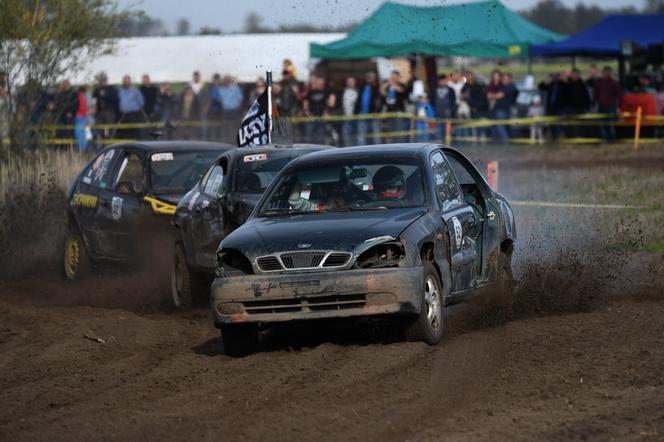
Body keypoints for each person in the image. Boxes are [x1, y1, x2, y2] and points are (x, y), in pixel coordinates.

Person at [593, 66, 621, 142]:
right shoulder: (599, 83)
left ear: (611, 73)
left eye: (608, 72)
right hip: (601, 106)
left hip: (611, 106)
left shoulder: (614, 83)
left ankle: (612, 139)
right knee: (602, 124)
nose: (607, 73)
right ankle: (604, 139)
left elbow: (618, 96)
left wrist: (618, 107)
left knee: (611, 124)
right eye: (605, 72)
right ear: (603, 72)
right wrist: (593, 106)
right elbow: (595, 95)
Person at [355, 72, 382, 145]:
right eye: (367, 77)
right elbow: (359, 100)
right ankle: (360, 150)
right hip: (362, 114)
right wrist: (356, 111)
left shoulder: (376, 88)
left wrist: (377, 111)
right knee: (361, 134)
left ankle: (378, 150)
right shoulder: (362, 87)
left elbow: (379, 101)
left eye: (370, 77)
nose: (369, 79)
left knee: (376, 133)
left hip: (373, 114)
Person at [381, 70, 408, 142]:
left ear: (398, 77)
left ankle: (400, 144)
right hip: (389, 110)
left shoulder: (401, 85)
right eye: (392, 76)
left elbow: (401, 90)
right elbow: (382, 92)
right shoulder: (388, 86)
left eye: (394, 76)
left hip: (398, 110)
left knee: (398, 130)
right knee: (391, 130)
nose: (393, 78)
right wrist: (386, 84)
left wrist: (393, 84)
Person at [491, 73, 517, 144]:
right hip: (499, 110)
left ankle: (505, 144)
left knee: (501, 128)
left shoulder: (510, 86)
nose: (504, 80)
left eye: (506, 79)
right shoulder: (504, 86)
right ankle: (501, 143)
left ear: (510, 79)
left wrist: (491, 95)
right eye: (503, 79)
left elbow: (500, 95)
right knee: (499, 128)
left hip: (503, 110)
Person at [92, 72, 119, 141]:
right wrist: (94, 108)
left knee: (110, 129)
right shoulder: (97, 89)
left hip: (109, 112)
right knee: (100, 129)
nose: (102, 81)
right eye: (101, 80)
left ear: (106, 80)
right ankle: (103, 143)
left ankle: (111, 143)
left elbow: (115, 99)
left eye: (104, 80)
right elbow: (94, 99)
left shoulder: (111, 89)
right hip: (99, 112)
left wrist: (105, 95)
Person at [118, 75, 145, 139]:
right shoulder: (120, 91)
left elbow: (141, 102)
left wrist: (134, 108)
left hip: (133, 114)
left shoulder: (135, 91)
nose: (126, 82)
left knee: (135, 131)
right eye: (125, 81)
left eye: (127, 81)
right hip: (123, 115)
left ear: (130, 82)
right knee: (125, 132)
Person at [303, 75, 326, 144]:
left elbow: (328, 105)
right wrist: (308, 113)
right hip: (311, 117)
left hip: (321, 117)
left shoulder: (325, 92)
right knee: (308, 137)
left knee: (320, 137)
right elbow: (305, 103)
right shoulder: (310, 92)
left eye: (321, 83)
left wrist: (325, 113)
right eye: (318, 83)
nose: (320, 85)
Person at [219, 75, 244, 141]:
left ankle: (234, 140)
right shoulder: (220, 89)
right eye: (225, 80)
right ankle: (226, 140)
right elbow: (220, 100)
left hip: (234, 110)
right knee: (225, 126)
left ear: (230, 81)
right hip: (225, 110)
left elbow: (240, 98)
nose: (226, 81)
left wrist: (237, 107)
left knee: (234, 126)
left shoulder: (235, 88)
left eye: (227, 80)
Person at [434, 74, 456, 142]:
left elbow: (453, 101)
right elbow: (432, 100)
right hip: (437, 113)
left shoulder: (451, 90)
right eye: (442, 80)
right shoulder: (435, 90)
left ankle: (448, 143)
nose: (444, 82)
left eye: (445, 80)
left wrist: (451, 110)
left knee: (447, 130)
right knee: (439, 129)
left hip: (447, 114)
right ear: (439, 81)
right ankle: (439, 142)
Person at [341, 77, 358, 146]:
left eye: (352, 81)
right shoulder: (343, 91)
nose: (350, 83)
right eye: (349, 81)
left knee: (355, 134)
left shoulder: (358, 91)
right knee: (345, 134)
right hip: (345, 117)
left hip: (355, 117)